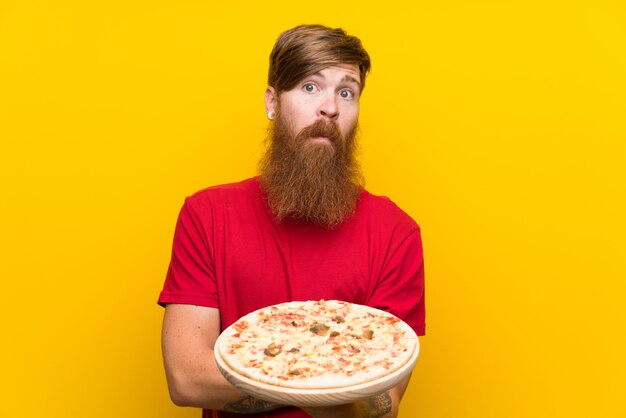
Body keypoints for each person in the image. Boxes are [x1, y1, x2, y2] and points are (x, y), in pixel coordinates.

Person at [158, 24, 425, 418]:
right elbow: (186, 378)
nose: (330, 108)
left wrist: (268, 368)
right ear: (272, 102)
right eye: (310, 87)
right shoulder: (207, 215)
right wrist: (328, 375)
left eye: (346, 92)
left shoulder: (395, 233)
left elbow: (380, 406)